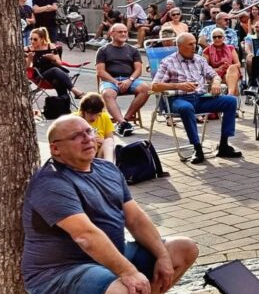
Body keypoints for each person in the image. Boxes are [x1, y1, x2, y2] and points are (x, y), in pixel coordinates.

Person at [22, 115, 198, 294]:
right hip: (62, 271)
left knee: (183, 248)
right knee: (123, 289)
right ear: (55, 149)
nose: (87, 139)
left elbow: (136, 219)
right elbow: (85, 235)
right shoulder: (51, 183)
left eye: (89, 131)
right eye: (76, 136)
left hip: (113, 254)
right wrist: (129, 272)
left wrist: (162, 256)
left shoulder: (108, 169)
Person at [152, 33, 242, 165]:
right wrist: (178, 85)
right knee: (186, 108)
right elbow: (155, 86)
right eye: (190, 44)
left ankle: (224, 145)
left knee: (230, 101)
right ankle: (197, 148)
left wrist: (216, 82)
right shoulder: (168, 62)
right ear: (180, 46)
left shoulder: (199, 59)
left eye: (194, 43)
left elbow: (214, 75)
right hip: (177, 99)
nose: (194, 46)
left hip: (200, 98)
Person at [95, 24, 150, 136]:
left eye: (125, 32)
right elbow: (100, 72)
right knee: (107, 94)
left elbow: (138, 70)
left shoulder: (133, 50)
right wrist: (115, 82)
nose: (124, 34)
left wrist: (129, 80)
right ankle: (122, 123)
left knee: (146, 88)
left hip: (129, 80)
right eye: (120, 32)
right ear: (112, 33)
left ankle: (125, 120)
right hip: (110, 80)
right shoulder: (103, 50)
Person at [27, 27, 83, 100]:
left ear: (42, 39)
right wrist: (29, 59)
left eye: (35, 39)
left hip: (54, 76)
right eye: (30, 39)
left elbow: (59, 64)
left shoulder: (51, 47)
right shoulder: (28, 50)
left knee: (57, 81)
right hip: (40, 76)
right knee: (55, 70)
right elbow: (26, 69)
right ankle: (75, 91)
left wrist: (53, 59)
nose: (32, 41)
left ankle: (64, 104)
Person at [76, 92, 117, 161]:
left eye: (97, 114)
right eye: (91, 114)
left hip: (99, 155)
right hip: (81, 154)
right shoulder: (74, 120)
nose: (94, 118)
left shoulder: (104, 117)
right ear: (83, 111)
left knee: (109, 141)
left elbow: (110, 139)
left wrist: (103, 141)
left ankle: (110, 166)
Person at [202, 28, 242, 97]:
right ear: (212, 39)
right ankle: (232, 97)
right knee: (232, 81)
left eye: (219, 37)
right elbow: (204, 68)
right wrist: (218, 69)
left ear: (223, 38)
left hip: (229, 73)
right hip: (214, 74)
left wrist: (228, 66)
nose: (217, 39)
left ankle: (230, 95)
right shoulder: (206, 51)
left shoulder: (230, 48)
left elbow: (238, 64)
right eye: (214, 37)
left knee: (232, 68)